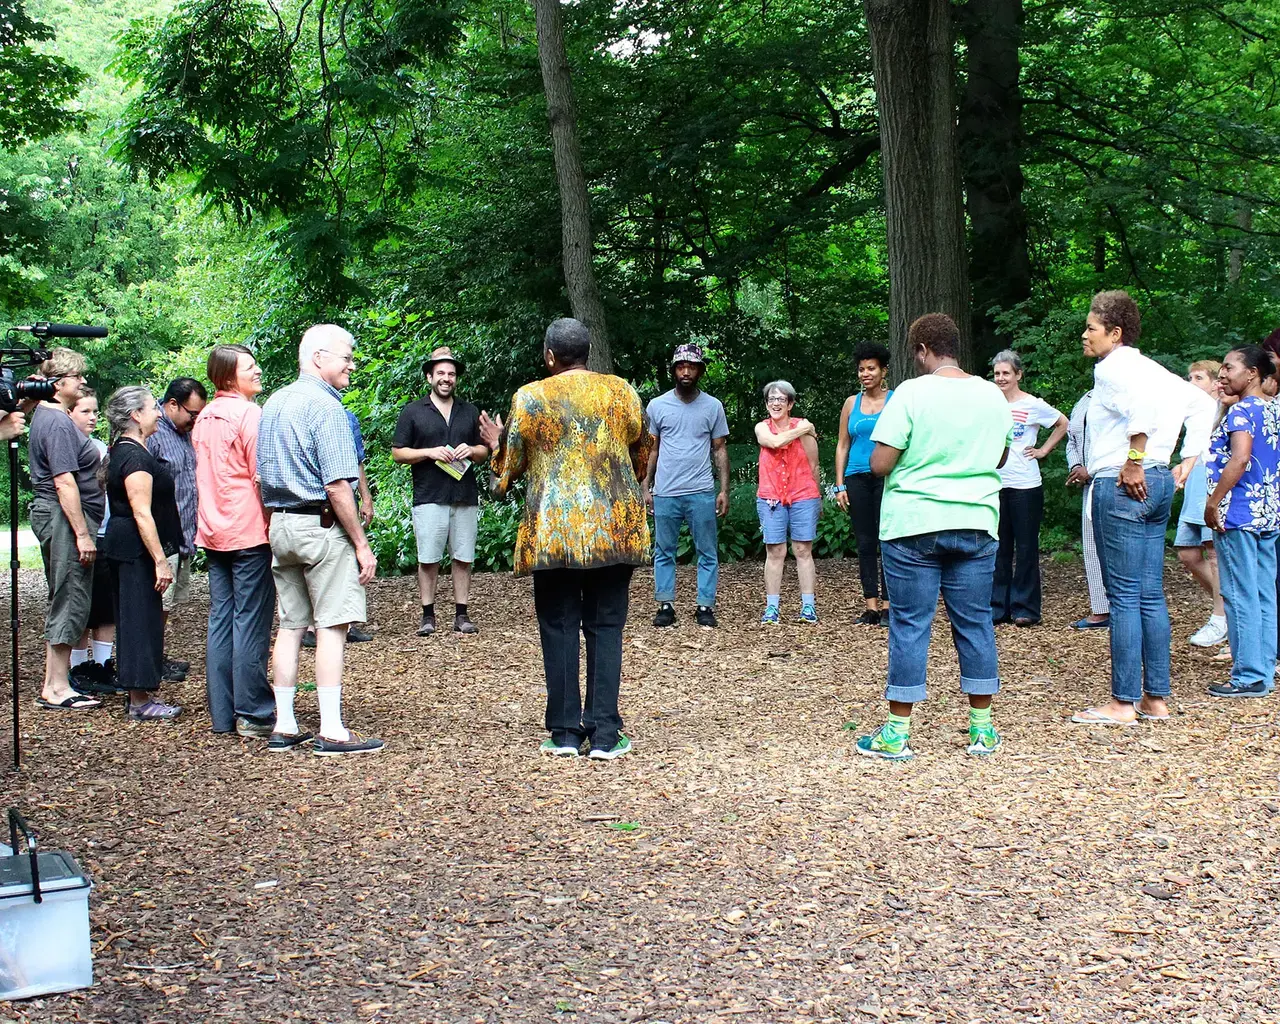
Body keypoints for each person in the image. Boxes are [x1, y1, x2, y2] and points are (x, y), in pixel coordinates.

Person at [478, 318, 650, 760]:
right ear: (588, 352)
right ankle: (606, 734)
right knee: (606, 626)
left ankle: (565, 734)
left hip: (552, 533)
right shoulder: (621, 391)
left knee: (557, 627)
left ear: (550, 355)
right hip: (614, 529)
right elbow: (641, 451)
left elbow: (505, 472)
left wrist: (498, 443)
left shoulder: (531, 397)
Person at [855, 313, 1013, 760]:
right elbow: (1000, 455)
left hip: (914, 524)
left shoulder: (910, 392)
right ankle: (982, 731)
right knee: (975, 622)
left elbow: (882, 463)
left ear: (923, 350)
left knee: (909, 625)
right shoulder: (990, 394)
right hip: (977, 521)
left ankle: (896, 734)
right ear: (955, 346)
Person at [1071, 290, 1214, 726]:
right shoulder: (1154, 369)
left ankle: (1121, 702)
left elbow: (1141, 410)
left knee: (1125, 596)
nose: (1085, 335)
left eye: (1091, 328)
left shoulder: (1113, 368)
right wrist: (1187, 459)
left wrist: (1133, 461)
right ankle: (1156, 698)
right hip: (1157, 480)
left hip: (1125, 480)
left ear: (1114, 333)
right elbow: (1205, 404)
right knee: (1150, 593)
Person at [257, 324, 383, 756]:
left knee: (291, 626)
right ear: (317, 358)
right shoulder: (326, 407)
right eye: (345, 357)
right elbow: (336, 485)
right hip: (321, 525)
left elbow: (261, 476)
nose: (351, 364)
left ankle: (285, 725)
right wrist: (361, 544)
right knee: (332, 625)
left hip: (281, 525)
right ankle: (331, 729)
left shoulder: (273, 402)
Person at [192, 345, 278, 739]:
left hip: (212, 530)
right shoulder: (249, 414)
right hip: (246, 529)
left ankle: (222, 714)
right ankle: (254, 711)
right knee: (250, 620)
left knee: (220, 620)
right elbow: (261, 476)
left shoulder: (204, 416)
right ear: (228, 378)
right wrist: (273, 522)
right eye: (250, 367)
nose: (258, 370)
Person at [392, 346, 488, 636]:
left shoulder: (469, 411)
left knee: (463, 556)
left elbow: (485, 451)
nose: (446, 378)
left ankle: (462, 614)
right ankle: (427, 615)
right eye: (441, 373)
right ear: (428, 377)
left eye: (451, 374)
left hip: (464, 495)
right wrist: (429, 453)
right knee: (429, 557)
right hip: (429, 495)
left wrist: (472, 449)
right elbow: (398, 453)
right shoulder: (412, 412)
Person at [28, 348, 104, 711]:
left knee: (67, 594)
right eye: (77, 377)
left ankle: (56, 682)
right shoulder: (57, 422)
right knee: (70, 595)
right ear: (59, 384)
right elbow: (64, 482)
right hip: (62, 519)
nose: (82, 382)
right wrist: (83, 534)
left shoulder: (46, 414)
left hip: (59, 517)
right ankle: (56, 687)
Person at [102, 387, 183, 721]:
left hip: (130, 545)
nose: (159, 413)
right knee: (138, 619)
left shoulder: (131, 450)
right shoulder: (133, 456)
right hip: (135, 548)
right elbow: (141, 512)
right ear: (135, 415)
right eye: (153, 408)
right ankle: (138, 699)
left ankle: (140, 693)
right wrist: (160, 560)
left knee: (142, 617)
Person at [1204, 346, 1279, 698]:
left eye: (1228, 367)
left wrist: (1213, 501)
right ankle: (1264, 666)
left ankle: (1248, 675)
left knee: (1238, 593)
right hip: (1268, 511)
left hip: (1237, 513)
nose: (1222, 373)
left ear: (1251, 373)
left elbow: (1241, 458)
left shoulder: (1243, 411)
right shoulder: (1273, 409)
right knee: (1264, 592)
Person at [642, 342, 729, 628]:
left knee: (707, 551)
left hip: (701, 490)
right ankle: (665, 604)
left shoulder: (713, 406)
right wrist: (646, 485)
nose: (686, 371)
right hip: (666, 491)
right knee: (663, 550)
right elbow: (652, 449)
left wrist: (724, 490)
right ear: (674, 370)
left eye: (691, 366)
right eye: (681, 366)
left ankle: (705, 606)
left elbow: (719, 449)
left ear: (700, 370)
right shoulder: (657, 406)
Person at [990, 350, 1068, 627]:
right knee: (998, 547)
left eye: (1006, 373)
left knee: (1025, 546)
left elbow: (1063, 423)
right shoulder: (989, 403)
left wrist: (1044, 450)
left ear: (1018, 375)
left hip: (1025, 484)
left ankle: (1025, 607)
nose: (1001, 378)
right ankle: (997, 606)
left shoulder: (1032, 404)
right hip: (995, 483)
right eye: (997, 373)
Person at [147, 378, 207, 682]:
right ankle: (147, 661)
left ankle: (157, 656)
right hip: (160, 536)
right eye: (191, 414)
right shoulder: (153, 433)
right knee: (154, 603)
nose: (194, 421)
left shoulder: (183, 434)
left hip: (183, 535)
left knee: (166, 605)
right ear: (172, 404)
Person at [302, 410, 376, 647]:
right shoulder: (303, 413)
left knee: (350, 555)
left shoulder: (348, 417)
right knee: (316, 562)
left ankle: (348, 622)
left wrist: (366, 498)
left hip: (346, 496)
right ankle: (313, 626)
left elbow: (358, 460)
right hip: (316, 502)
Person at [834, 342, 893, 625]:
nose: (865, 374)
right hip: (856, 477)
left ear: (883, 371)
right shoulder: (850, 403)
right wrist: (839, 484)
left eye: (871, 369)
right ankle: (870, 606)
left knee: (887, 539)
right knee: (865, 541)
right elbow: (842, 445)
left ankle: (888, 606)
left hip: (886, 477)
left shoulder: (895, 400)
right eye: (861, 369)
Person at [1172, 360, 1228, 650]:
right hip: (1194, 479)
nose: (1191, 382)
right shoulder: (1194, 412)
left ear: (1215, 382)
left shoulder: (1226, 408)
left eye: (1198, 377)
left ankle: (1221, 618)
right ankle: (1227, 610)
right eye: (1189, 377)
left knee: (1213, 551)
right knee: (1187, 552)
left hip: (1213, 480)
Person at [755, 381, 821, 624]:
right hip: (770, 495)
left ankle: (808, 607)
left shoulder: (805, 430)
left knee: (803, 550)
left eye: (781, 399)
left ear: (790, 404)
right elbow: (772, 442)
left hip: (803, 494)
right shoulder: (762, 427)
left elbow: (814, 464)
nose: (775, 403)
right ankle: (772, 608)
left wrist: (819, 497)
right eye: (771, 399)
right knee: (775, 551)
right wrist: (804, 429)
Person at [67, 388, 118, 694]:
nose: (92, 417)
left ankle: (102, 664)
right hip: (81, 534)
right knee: (79, 606)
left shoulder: (100, 447)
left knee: (105, 606)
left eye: (95, 411)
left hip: (106, 533)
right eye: (85, 411)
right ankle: (78, 667)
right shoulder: (66, 446)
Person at [1065, 389, 1109, 629]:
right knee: (1091, 544)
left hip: (1114, 478)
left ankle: (1125, 608)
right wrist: (1077, 466)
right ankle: (1101, 608)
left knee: (1116, 546)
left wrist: (1091, 469)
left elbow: (1120, 442)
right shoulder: (1086, 398)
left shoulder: (1121, 394)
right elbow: (1072, 438)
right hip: (1089, 482)